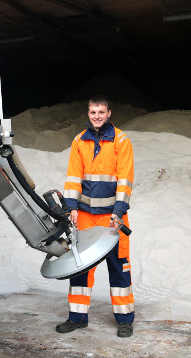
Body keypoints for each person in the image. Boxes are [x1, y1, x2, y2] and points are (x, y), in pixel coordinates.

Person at [56, 95, 135, 338]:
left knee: (119, 267)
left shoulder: (121, 141)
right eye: (93, 112)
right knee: (80, 267)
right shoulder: (79, 141)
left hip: (112, 218)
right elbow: (72, 178)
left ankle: (125, 321)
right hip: (85, 217)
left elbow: (125, 180)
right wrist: (71, 208)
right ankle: (77, 318)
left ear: (109, 113)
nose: (97, 116)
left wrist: (118, 213)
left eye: (101, 112)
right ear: (88, 114)